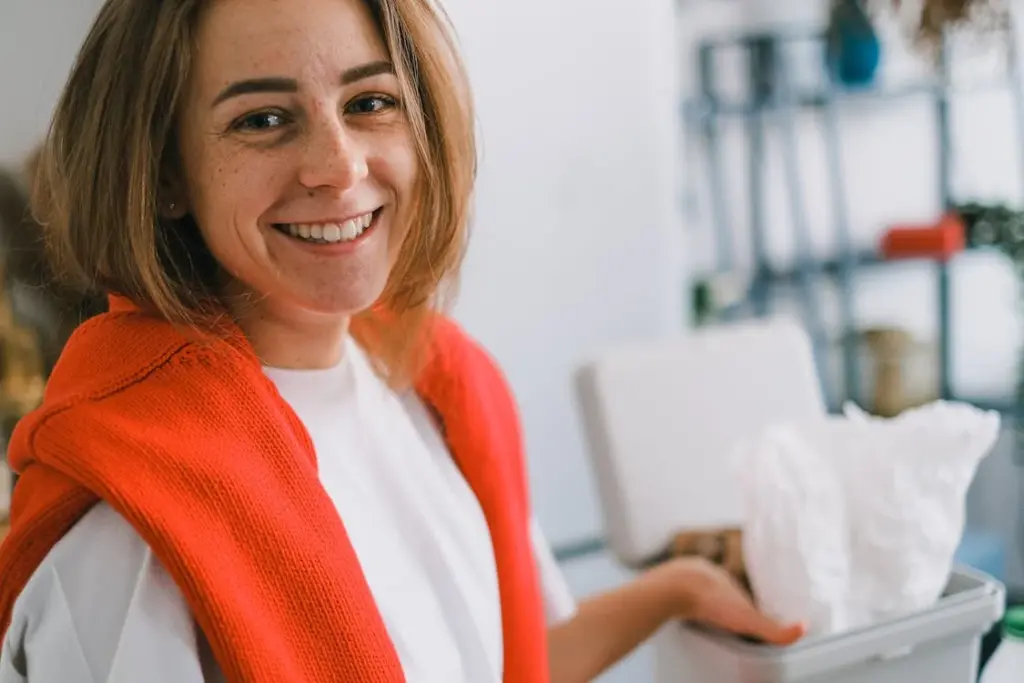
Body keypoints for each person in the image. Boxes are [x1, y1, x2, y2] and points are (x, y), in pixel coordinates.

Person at [0, 0, 804, 681]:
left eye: (370, 102)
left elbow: (504, 655)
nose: (338, 166)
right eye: (264, 119)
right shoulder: (130, 530)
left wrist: (678, 589)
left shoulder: (433, 385)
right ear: (166, 173)